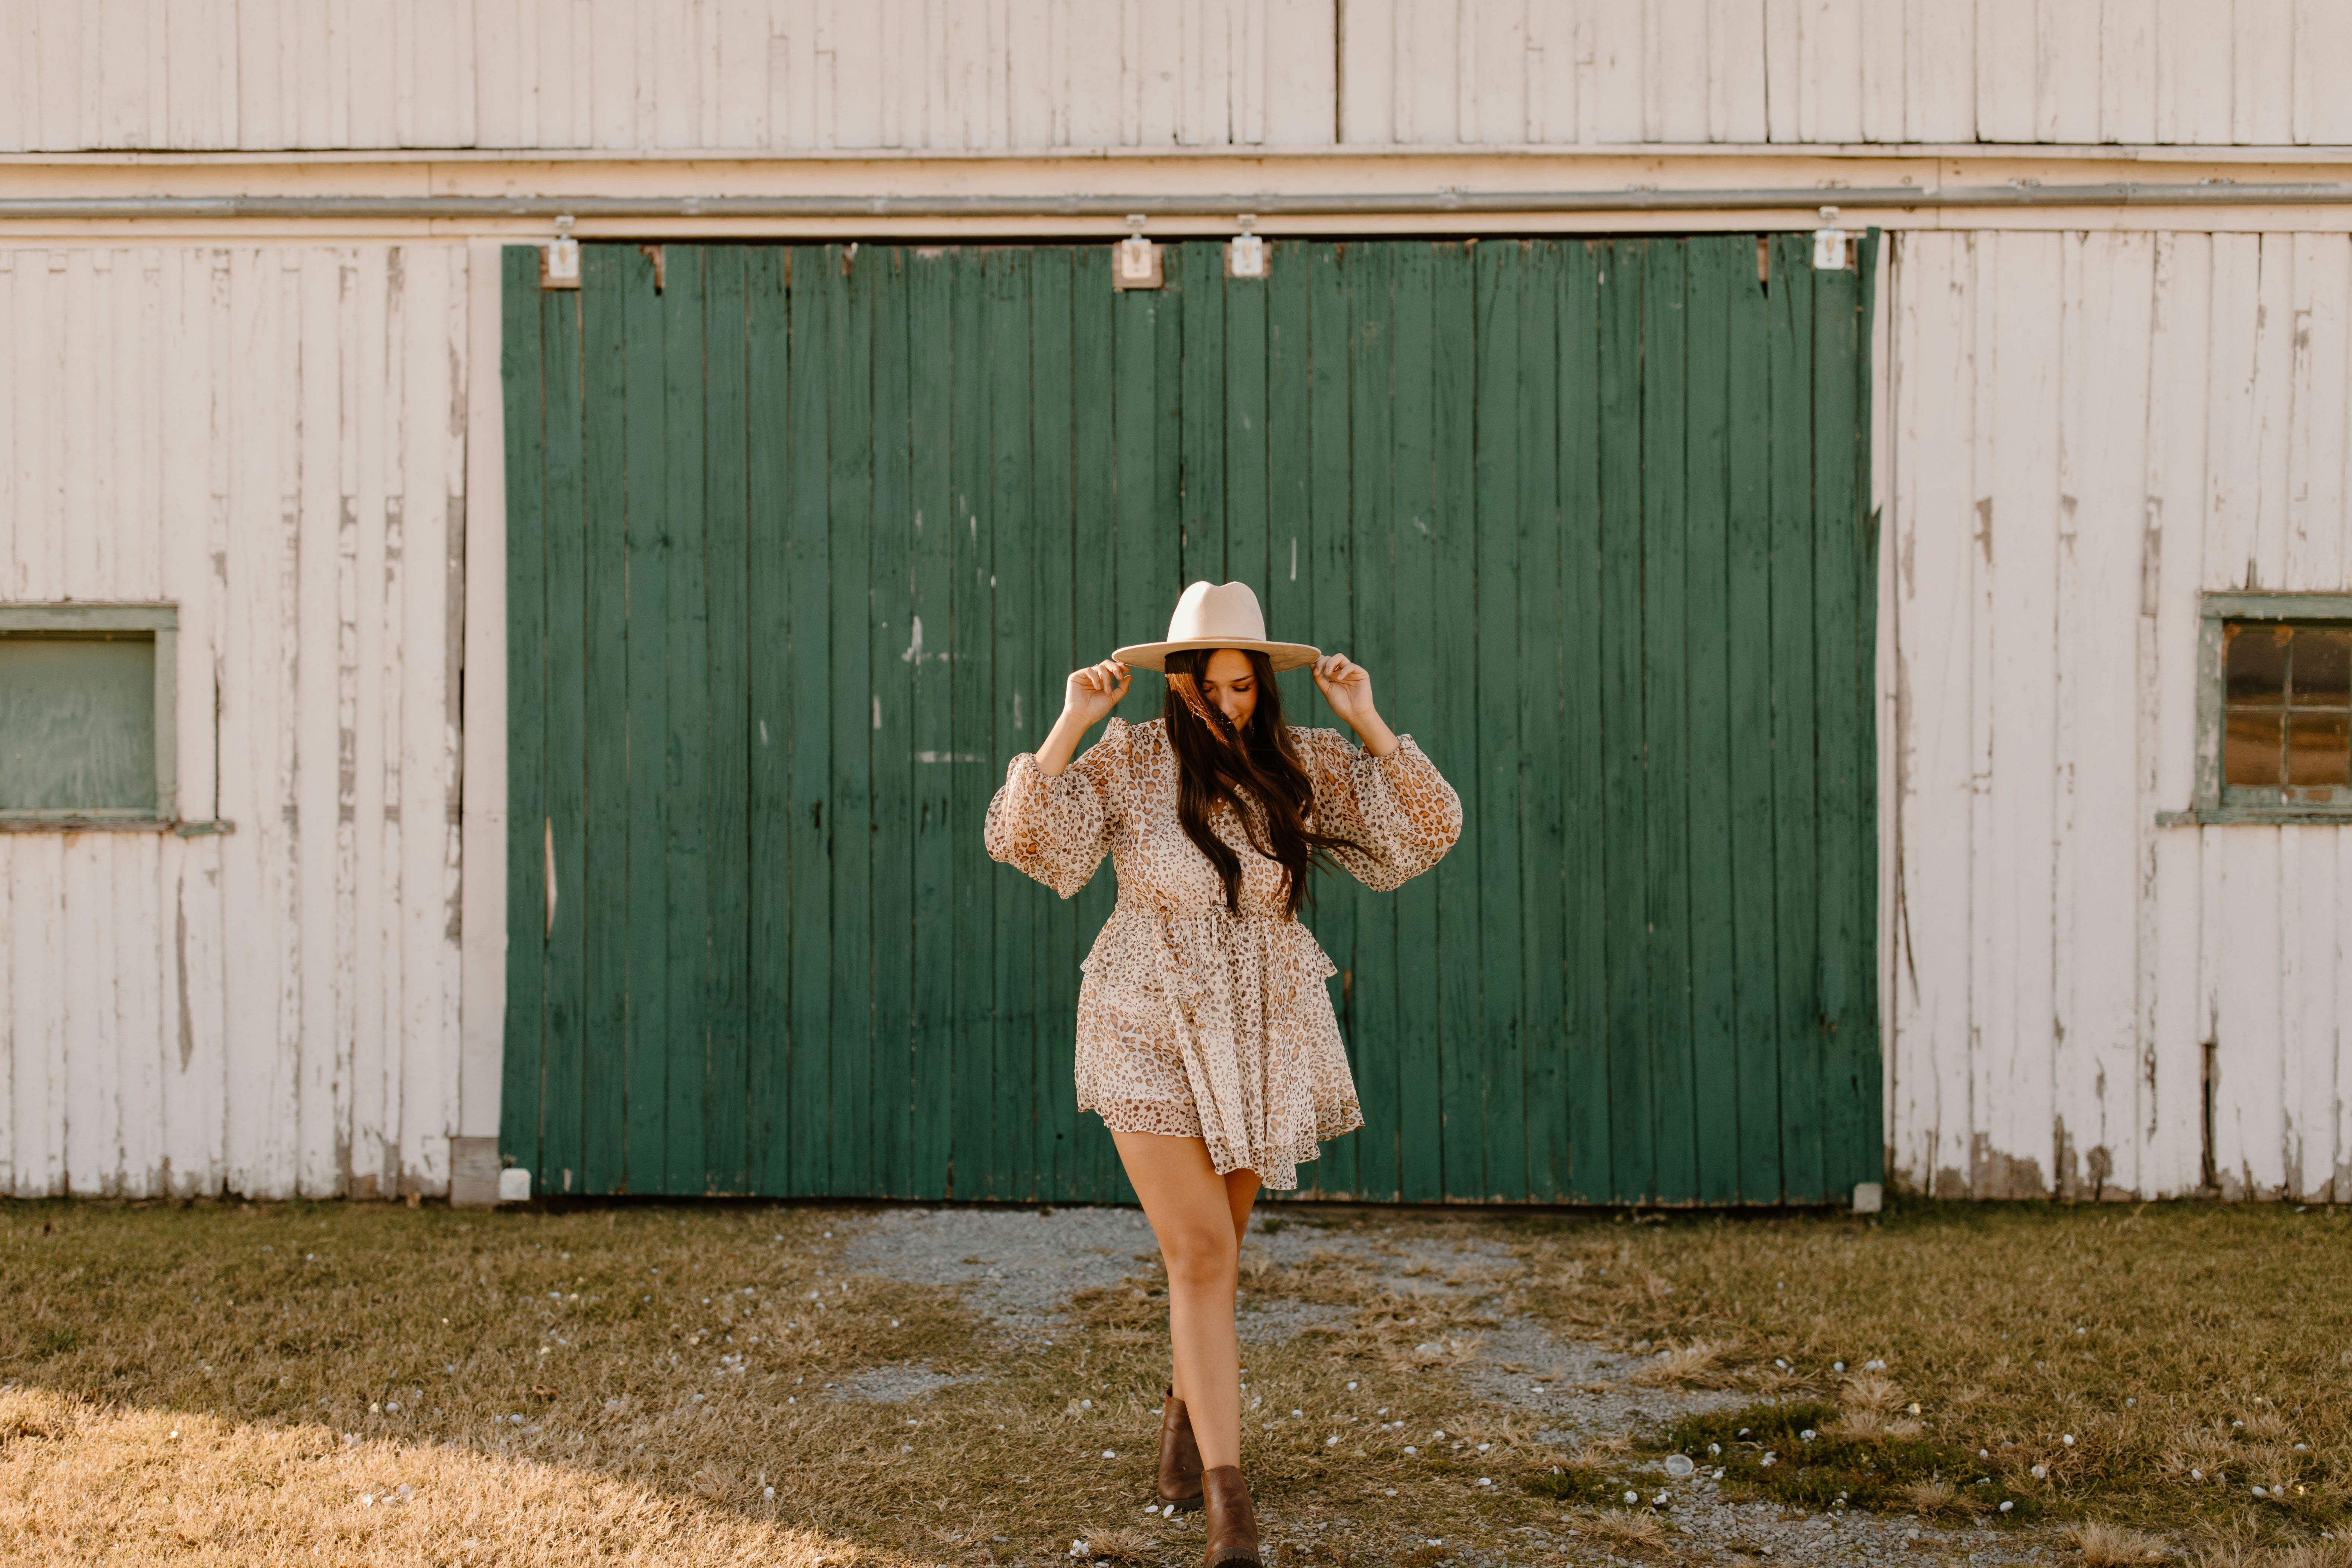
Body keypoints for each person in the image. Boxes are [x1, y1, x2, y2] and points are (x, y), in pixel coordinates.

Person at [983, 580, 1462, 1568]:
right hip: (1142, 1017)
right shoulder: (1135, 761)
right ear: (1178, 685)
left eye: (1244, 687)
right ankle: (1229, 1515)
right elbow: (1027, 839)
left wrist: (1366, 718)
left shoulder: (1299, 766)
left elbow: (1425, 831)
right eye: (1209, 687)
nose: (1227, 704)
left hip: (1260, 1025)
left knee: (1219, 1256)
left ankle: (1182, 1425)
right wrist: (1074, 720)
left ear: (1264, 687)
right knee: (1200, 1256)